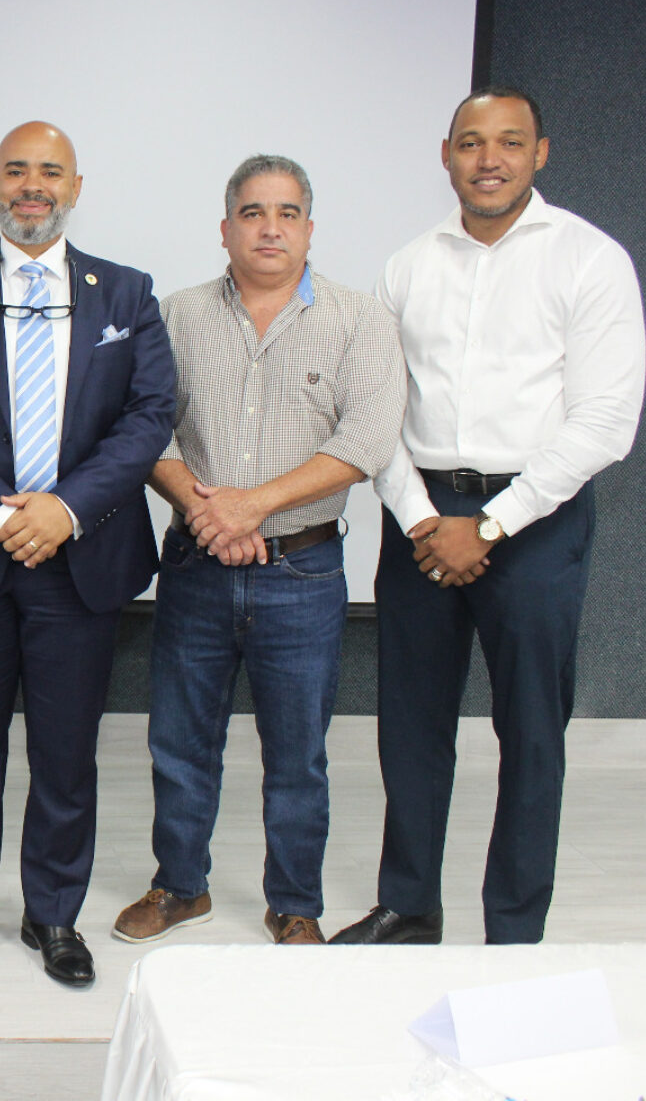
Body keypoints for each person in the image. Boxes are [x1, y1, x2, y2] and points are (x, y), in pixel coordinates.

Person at [330, 86, 646, 947]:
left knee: (532, 730)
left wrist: (494, 524)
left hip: (537, 520)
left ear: (540, 153)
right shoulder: (407, 267)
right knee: (412, 723)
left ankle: (514, 929)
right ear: (446, 155)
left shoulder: (589, 259)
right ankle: (408, 906)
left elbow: (605, 422)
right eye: (471, 142)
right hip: (422, 518)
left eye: (510, 142)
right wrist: (422, 518)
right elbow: (376, 410)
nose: (489, 159)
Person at [0, 121, 174, 986]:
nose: (33, 185)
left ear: (76, 187)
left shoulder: (127, 292)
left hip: (80, 558)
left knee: (66, 752)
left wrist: (65, 510)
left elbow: (149, 416)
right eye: (16, 170)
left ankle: (53, 915)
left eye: (50, 171)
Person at [113, 155, 405, 948]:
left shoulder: (359, 319)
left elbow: (366, 441)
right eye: (252, 212)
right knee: (180, 742)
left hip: (303, 571)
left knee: (298, 754)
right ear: (225, 228)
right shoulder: (177, 315)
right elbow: (146, 428)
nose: (269, 228)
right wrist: (207, 510)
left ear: (309, 229)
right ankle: (180, 887)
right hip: (196, 564)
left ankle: (295, 903)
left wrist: (252, 505)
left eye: (286, 213)